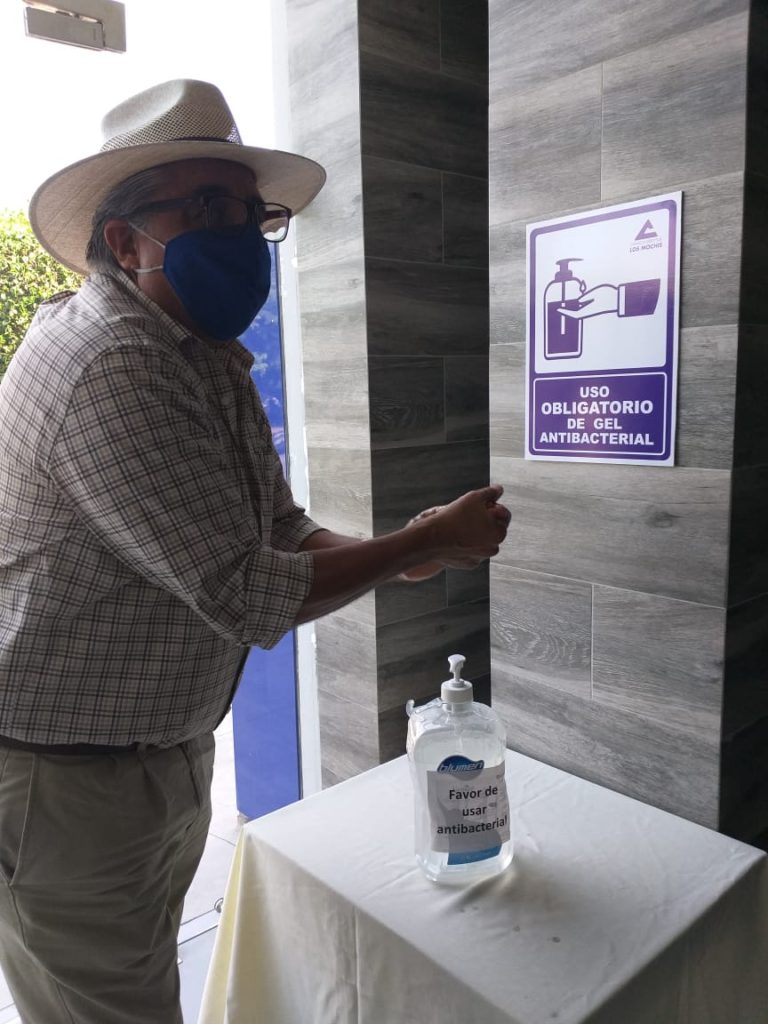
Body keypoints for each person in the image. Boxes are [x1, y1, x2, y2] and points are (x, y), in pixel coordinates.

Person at [0, 79, 510, 1023]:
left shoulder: (198, 352)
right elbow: (243, 589)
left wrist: (402, 554)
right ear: (124, 242)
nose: (238, 234)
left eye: (250, 212)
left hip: (147, 757)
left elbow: (276, 525)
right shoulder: (111, 362)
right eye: (207, 209)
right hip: (66, 782)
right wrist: (425, 539)